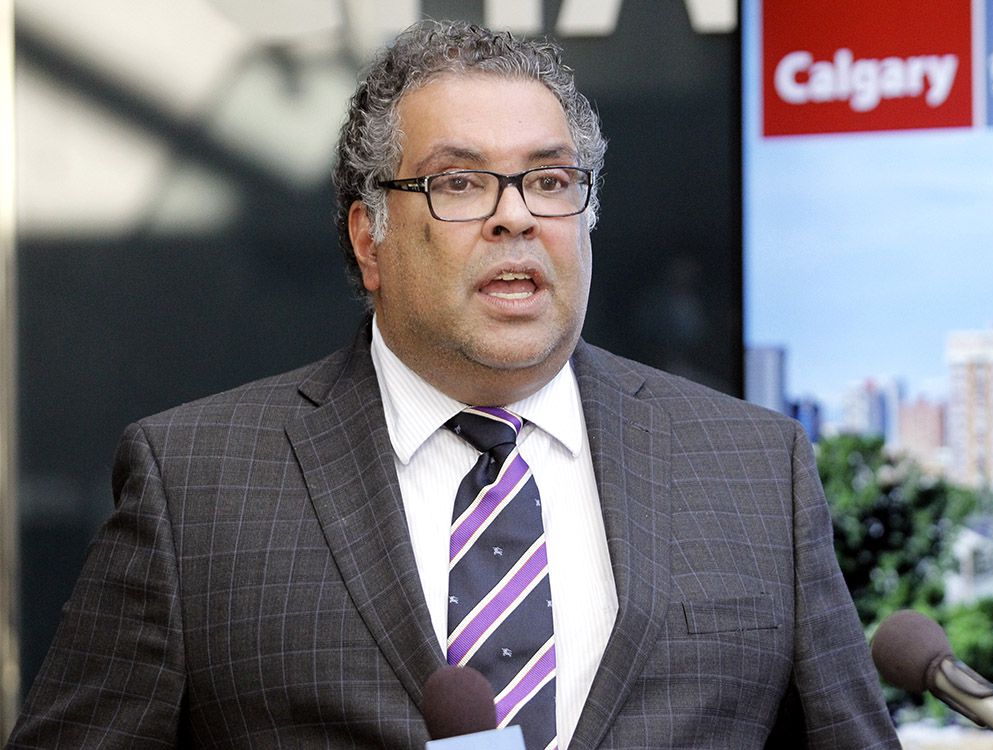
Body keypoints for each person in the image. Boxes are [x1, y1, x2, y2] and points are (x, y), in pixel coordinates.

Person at [7, 19, 901, 750]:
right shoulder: (195, 483)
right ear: (370, 240)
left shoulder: (752, 467)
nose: (516, 214)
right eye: (461, 182)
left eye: (551, 180)